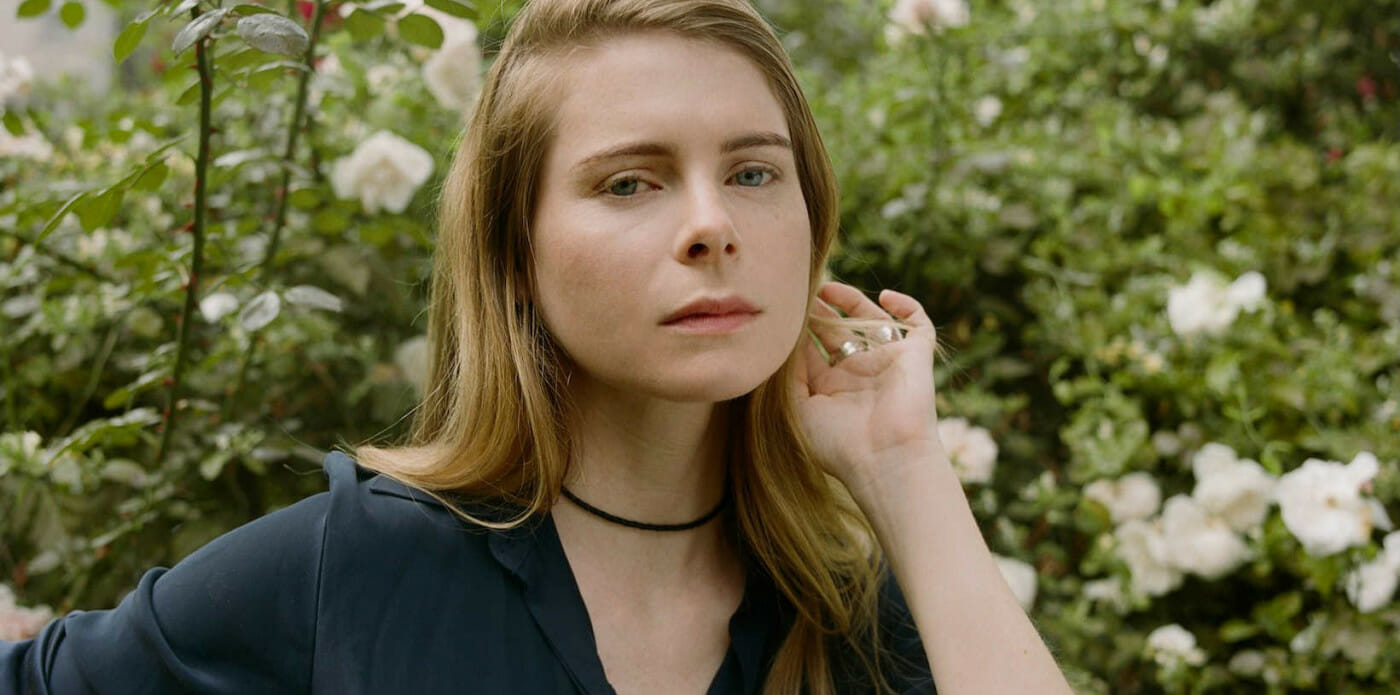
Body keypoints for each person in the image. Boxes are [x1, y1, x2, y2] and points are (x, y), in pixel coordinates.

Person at [1, 0, 1076, 693]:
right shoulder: (353, 570)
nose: (713, 225)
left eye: (752, 172)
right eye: (630, 182)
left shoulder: (850, 615)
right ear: (514, 252)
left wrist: (903, 465)